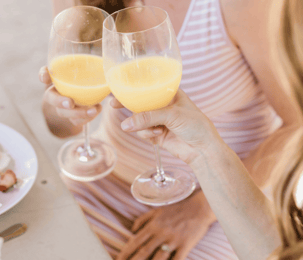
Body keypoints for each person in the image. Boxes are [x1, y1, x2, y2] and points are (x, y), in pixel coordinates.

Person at [40, 0, 302, 259]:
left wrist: (201, 209)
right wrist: (62, 109)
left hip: (225, 197)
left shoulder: (244, 7)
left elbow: (298, 125)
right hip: (105, 180)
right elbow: (61, 129)